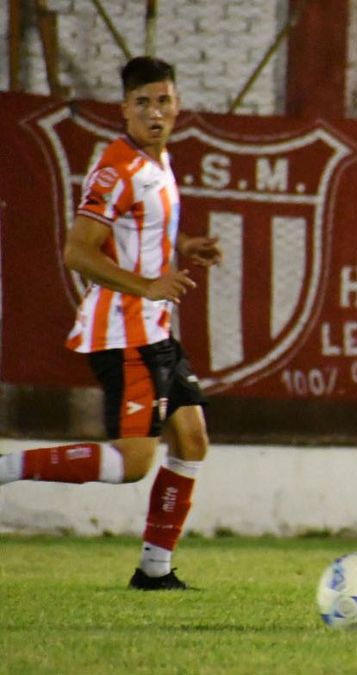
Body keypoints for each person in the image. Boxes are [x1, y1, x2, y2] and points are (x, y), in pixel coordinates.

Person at [0, 56, 222, 590]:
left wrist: (186, 247)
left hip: (155, 326)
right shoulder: (116, 170)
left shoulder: (159, 162)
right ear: (124, 109)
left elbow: (140, 237)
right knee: (132, 463)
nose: (154, 111)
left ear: (177, 106)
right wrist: (147, 286)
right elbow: (78, 252)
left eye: (163, 100)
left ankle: (154, 571)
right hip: (125, 331)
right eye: (142, 102)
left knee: (191, 440)